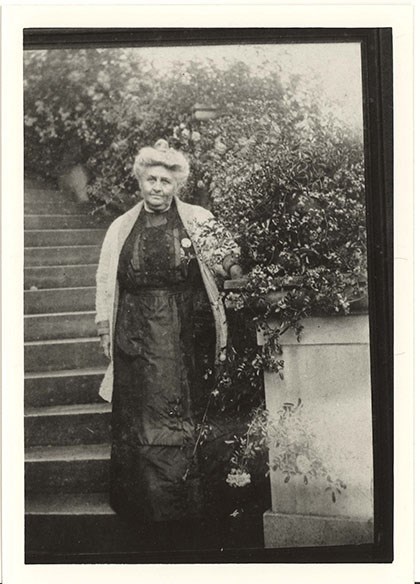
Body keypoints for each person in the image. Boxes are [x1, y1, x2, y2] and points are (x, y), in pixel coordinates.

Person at [95, 139, 243, 550]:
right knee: (142, 420)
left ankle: (191, 504)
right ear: (140, 182)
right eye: (150, 179)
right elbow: (107, 280)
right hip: (136, 335)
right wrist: (106, 329)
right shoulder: (121, 227)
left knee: (186, 415)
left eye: (165, 180)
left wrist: (235, 268)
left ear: (177, 183)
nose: (157, 187)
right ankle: (146, 505)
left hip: (185, 334)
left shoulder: (197, 218)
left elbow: (226, 255)